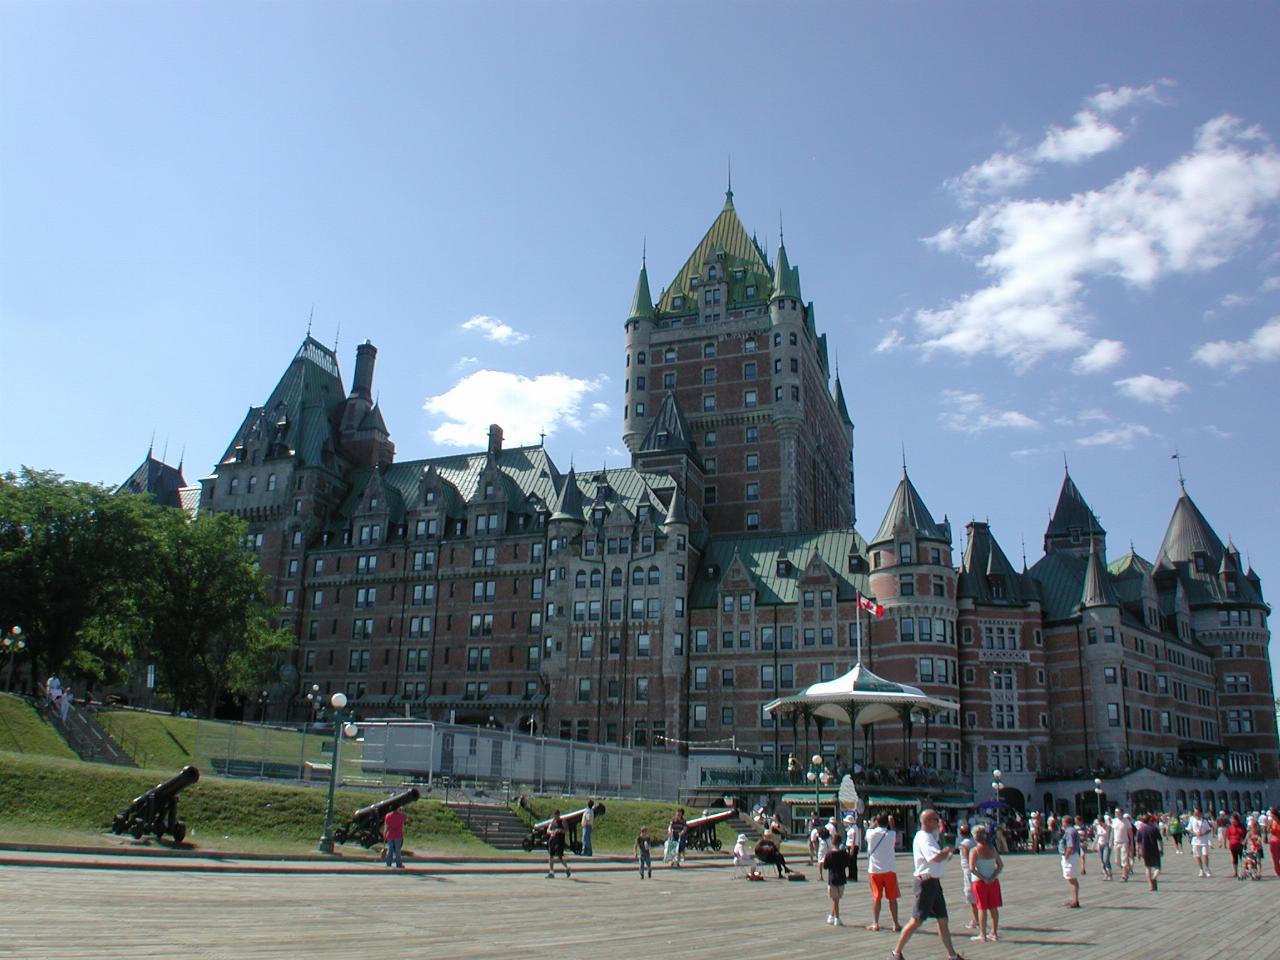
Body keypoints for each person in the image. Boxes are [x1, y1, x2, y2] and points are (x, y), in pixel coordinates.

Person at [889, 809, 967, 960]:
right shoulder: (924, 837)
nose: (938, 823)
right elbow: (933, 858)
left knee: (943, 919)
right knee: (916, 920)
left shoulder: (928, 837)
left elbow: (936, 858)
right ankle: (896, 953)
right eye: (935, 820)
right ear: (926, 821)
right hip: (925, 883)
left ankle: (952, 955)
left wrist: (946, 854)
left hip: (934, 882)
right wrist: (947, 850)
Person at [865, 812, 901, 932]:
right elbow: (894, 831)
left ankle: (875, 923)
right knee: (892, 898)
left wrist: (872, 824)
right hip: (889, 869)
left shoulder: (870, 833)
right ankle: (895, 923)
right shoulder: (891, 834)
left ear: (877, 822)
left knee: (876, 898)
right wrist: (891, 822)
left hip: (874, 870)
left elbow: (869, 829)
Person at [968, 825, 1003, 942]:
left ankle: (982, 934)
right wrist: (992, 876)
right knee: (993, 908)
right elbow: (1000, 865)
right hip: (993, 881)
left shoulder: (974, 851)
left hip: (980, 882)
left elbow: (972, 868)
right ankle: (994, 932)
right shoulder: (992, 848)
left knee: (981, 908)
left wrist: (983, 878)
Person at [821, 832, 853, 926]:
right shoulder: (844, 854)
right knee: (837, 899)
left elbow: (825, 866)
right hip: (841, 877)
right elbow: (848, 864)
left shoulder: (829, 854)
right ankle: (835, 917)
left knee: (835, 899)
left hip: (832, 878)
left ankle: (834, 917)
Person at [956, 823, 979, 931]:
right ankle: (978, 918)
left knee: (971, 896)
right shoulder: (974, 841)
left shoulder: (964, 844)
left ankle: (976, 920)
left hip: (968, 870)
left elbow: (966, 856)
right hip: (976, 868)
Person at [1059, 814, 1082, 908]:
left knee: (1071, 879)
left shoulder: (1069, 831)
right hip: (1073, 856)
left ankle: (1075, 901)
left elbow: (1070, 846)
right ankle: (1074, 899)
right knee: (1071, 878)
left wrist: (1066, 856)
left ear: (1065, 822)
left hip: (1070, 856)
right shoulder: (1072, 830)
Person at [1136, 814, 1162, 891]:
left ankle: (1150, 885)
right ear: (1150, 820)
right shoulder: (1154, 828)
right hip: (1154, 850)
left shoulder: (1140, 830)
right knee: (1158, 868)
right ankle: (1154, 878)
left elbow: (1138, 843)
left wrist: (1138, 852)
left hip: (1145, 850)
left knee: (1148, 867)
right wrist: (1161, 849)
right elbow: (1160, 840)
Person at [1187, 807, 1213, 877]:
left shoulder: (1204, 820)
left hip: (1204, 840)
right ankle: (1201, 869)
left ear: (1200, 813)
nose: (1196, 814)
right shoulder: (1192, 820)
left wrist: (1203, 833)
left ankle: (1207, 869)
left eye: (1197, 813)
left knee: (1205, 855)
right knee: (1198, 856)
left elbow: (1209, 829)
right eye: (1195, 813)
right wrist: (1195, 833)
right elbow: (1188, 829)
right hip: (1195, 841)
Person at [546, 811, 571, 878]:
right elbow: (548, 830)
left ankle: (567, 868)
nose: (555, 817)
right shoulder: (552, 822)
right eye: (555, 816)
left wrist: (560, 830)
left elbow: (567, 831)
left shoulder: (563, 821)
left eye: (557, 815)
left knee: (560, 857)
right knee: (551, 856)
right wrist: (552, 832)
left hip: (559, 841)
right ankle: (551, 872)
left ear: (559, 815)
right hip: (552, 841)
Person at [1110, 808, 1132, 882]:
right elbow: (1112, 832)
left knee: (1124, 860)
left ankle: (1124, 876)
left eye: (1118, 812)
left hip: (1124, 842)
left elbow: (1130, 833)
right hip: (1116, 843)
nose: (1116, 813)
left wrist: (1131, 842)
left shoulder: (1126, 821)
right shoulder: (1114, 821)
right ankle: (1126, 869)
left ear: (1121, 813)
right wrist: (1111, 841)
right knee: (1117, 861)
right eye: (1116, 812)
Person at [383, 804, 407, 869]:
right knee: (397, 850)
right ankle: (398, 864)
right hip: (398, 834)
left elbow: (386, 826)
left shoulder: (387, 815)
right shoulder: (401, 816)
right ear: (397, 809)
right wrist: (402, 811)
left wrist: (384, 833)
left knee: (390, 849)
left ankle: (388, 863)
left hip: (390, 834)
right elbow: (406, 820)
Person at [1225, 812, 1246, 878]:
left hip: (1240, 845)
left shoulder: (1241, 826)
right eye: (1231, 819)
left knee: (1242, 858)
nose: (1232, 821)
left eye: (1233, 819)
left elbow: (1244, 834)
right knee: (1234, 858)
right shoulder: (1230, 827)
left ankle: (1243, 871)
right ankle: (1236, 872)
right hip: (1232, 845)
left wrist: (1243, 841)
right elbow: (1228, 836)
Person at [1094, 815, 1112, 880]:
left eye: (1099, 821)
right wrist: (1094, 845)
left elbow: (1111, 833)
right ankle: (1105, 874)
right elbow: (1097, 836)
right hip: (1099, 844)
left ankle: (1110, 873)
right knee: (1102, 860)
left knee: (1105, 859)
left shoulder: (1108, 827)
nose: (1098, 823)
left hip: (1106, 844)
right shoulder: (1098, 827)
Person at [845, 813, 862, 882]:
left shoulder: (854, 827)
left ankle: (854, 876)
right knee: (849, 862)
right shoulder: (850, 827)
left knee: (853, 862)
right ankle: (850, 875)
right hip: (849, 846)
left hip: (853, 846)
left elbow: (854, 838)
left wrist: (852, 848)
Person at [1269, 807, 1280, 878]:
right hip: (1273, 844)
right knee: (1275, 860)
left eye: (1271, 814)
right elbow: (1269, 830)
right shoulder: (1272, 822)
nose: (1270, 816)